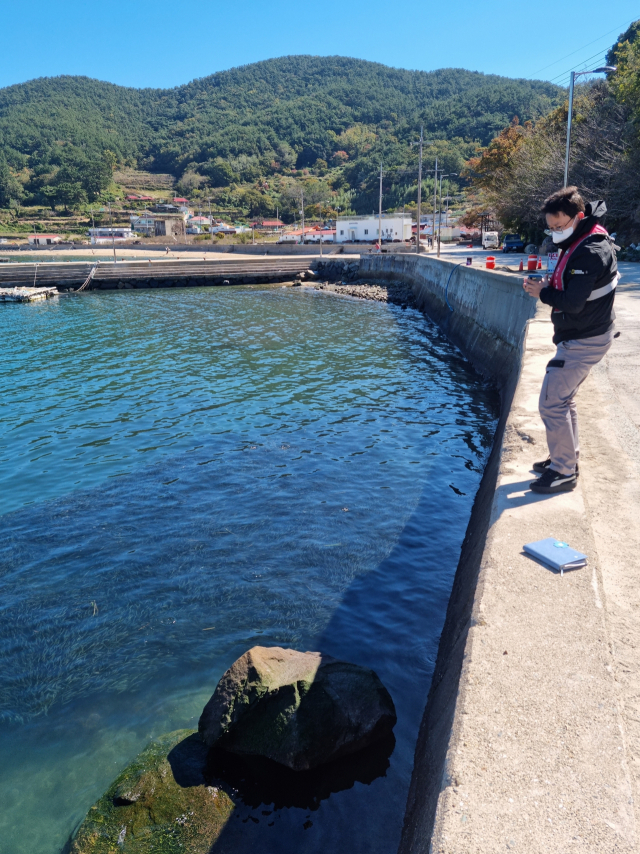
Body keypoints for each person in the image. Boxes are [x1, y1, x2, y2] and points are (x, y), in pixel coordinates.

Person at [523, 186, 619, 494]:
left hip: (584, 339)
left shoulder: (590, 251)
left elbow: (574, 303)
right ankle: (565, 457)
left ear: (577, 217)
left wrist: (543, 293)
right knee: (564, 400)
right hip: (585, 333)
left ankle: (563, 472)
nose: (555, 232)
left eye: (559, 226)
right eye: (550, 228)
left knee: (551, 403)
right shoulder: (581, 239)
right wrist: (547, 284)